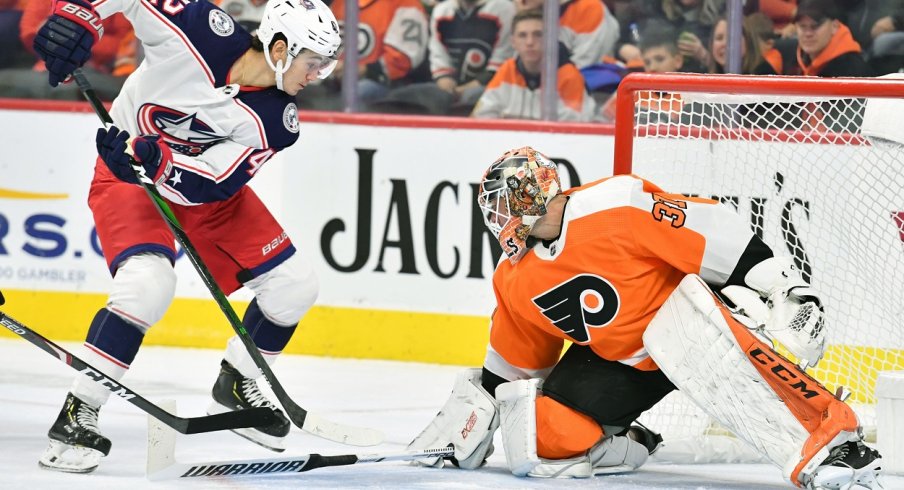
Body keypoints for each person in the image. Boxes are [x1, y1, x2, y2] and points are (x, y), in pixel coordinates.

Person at [407, 147, 883, 489]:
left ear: (528, 200)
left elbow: (710, 231)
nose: (496, 218)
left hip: (692, 317)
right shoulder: (515, 279)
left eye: (500, 205)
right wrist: (472, 423)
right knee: (539, 441)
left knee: (681, 337)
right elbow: (513, 368)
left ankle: (836, 440)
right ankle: (634, 443)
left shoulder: (616, 206)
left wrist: (783, 286)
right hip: (624, 363)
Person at [30, 0, 341, 473]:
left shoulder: (277, 120)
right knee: (148, 286)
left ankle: (237, 384)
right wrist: (79, 18)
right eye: (312, 62)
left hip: (198, 189)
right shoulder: (200, 29)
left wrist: (154, 160)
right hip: (127, 180)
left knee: (295, 287)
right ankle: (77, 414)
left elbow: (214, 183)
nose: (317, 74)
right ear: (280, 47)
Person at [471, 9, 596, 122]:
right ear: (513, 42)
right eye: (522, 35)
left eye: (538, 34)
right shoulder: (507, 70)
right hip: (511, 144)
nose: (530, 42)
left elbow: (577, 128)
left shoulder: (569, 76)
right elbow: (480, 118)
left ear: (551, 40)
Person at [512, 0, 620, 69]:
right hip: (542, 93)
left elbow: (585, 67)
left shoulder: (589, 8)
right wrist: (524, 17)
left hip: (591, 93)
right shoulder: (531, 10)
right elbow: (519, 66)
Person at [790, 0, 871, 77]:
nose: (808, 34)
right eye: (802, 26)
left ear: (834, 26)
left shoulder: (851, 70)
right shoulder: (796, 58)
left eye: (815, 26)